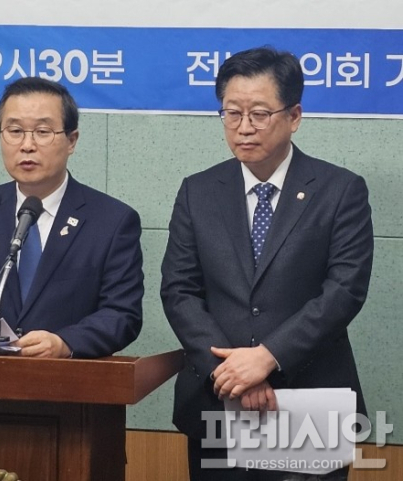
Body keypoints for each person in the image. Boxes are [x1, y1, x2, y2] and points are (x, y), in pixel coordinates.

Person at [160, 47, 373, 480]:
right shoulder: (198, 191)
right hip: (219, 398)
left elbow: (344, 290)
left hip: (309, 402)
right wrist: (233, 371)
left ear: (294, 116)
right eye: (231, 113)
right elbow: (179, 290)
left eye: (259, 114)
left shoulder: (340, 191)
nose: (244, 127)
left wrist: (269, 357)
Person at [0, 76, 143, 358]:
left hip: (68, 380)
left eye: (42, 132)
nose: (27, 145)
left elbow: (122, 313)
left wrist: (65, 343)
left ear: (71, 140)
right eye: (15, 131)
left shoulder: (111, 220)